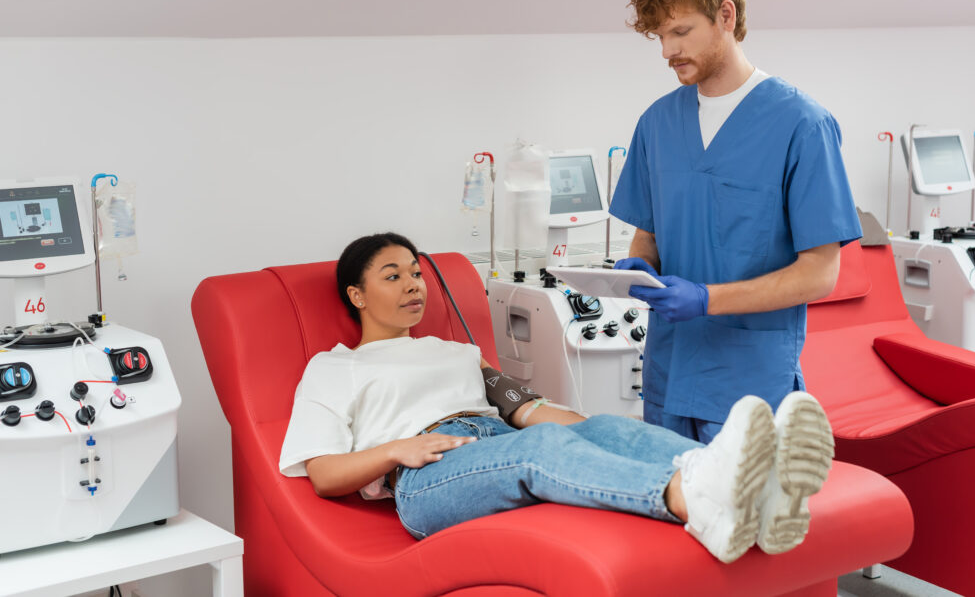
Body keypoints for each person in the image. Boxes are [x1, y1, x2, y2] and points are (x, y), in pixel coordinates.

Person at [279, 232, 835, 563]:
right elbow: (324, 473)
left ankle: (757, 487)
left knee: (606, 427)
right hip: (426, 479)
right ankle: (692, 500)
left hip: (495, 442)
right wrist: (394, 451)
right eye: (392, 275)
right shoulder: (335, 367)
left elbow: (525, 408)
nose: (414, 285)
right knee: (539, 445)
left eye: (417, 274)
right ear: (356, 294)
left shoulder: (458, 353)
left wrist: (600, 429)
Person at [610, 0, 862, 443]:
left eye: (681, 32)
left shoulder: (801, 125)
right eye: (660, 36)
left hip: (751, 385)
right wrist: (638, 268)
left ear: (725, 15)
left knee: (745, 518)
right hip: (669, 374)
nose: (667, 51)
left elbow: (820, 274)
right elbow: (650, 232)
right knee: (663, 516)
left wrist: (707, 299)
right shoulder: (657, 123)